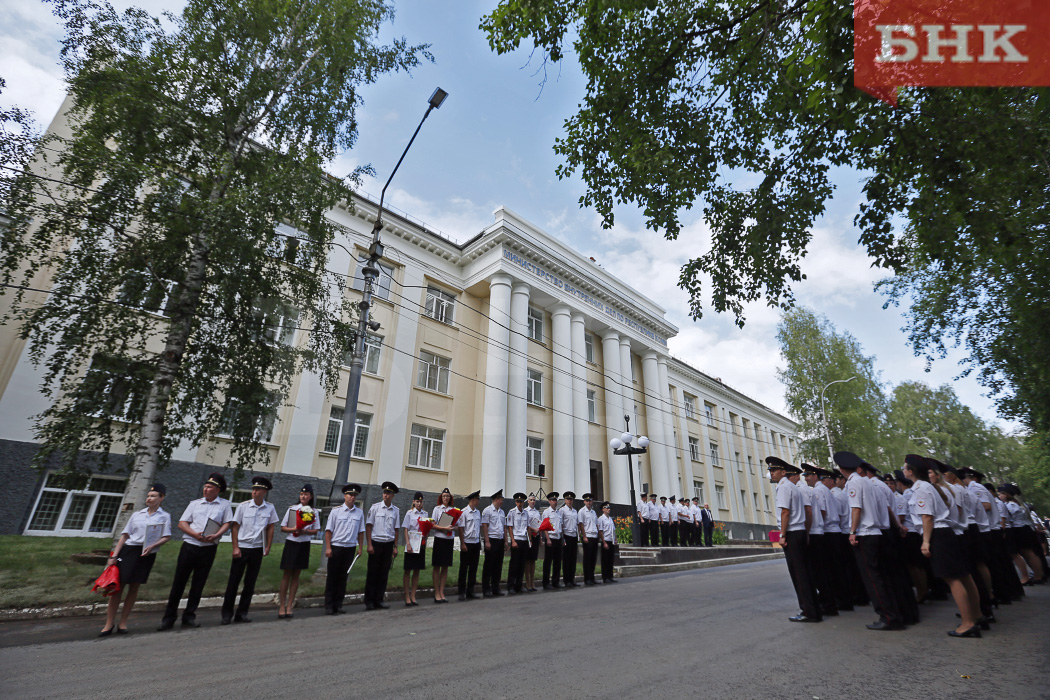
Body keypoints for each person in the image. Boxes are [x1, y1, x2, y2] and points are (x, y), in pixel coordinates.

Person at [906, 455, 983, 637]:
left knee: (953, 578)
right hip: (947, 533)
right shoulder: (928, 486)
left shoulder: (921, 488)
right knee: (963, 576)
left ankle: (967, 623)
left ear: (911, 471)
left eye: (905, 468)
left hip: (939, 535)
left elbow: (927, 516)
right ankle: (976, 615)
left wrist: (925, 541)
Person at [158, 472, 233, 630]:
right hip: (190, 545)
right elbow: (182, 523)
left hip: (208, 548)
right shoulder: (195, 504)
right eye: (205, 486)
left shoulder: (224, 505)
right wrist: (194, 534)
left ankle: (189, 616)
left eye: (209, 487)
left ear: (217, 489)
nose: (205, 489)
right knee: (179, 582)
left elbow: (227, 523)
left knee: (198, 583)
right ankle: (169, 617)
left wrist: (217, 535)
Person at [836, 451, 902, 631]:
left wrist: (852, 531)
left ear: (842, 470)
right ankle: (893, 614)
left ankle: (888, 617)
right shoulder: (866, 481)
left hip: (865, 533)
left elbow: (856, 509)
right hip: (875, 532)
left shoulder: (854, 483)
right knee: (880, 577)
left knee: (873, 579)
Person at [100, 483, 171, 636]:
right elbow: (124, 535)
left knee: (134, 588)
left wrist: (153, 546)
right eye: (148, 496)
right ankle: (108, 623)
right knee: (118, 588)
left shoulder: (164, 516)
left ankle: (123, 623)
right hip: (129, 551)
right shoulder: (137, 514)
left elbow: (166, 536)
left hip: (146, 554)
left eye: (153, 496)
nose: (149, 498)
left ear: (161, 498)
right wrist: (114, 556)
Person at [767, 456, 820, 623]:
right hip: (799, 532)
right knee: (804, 573)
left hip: (792, 533)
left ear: (783, 472)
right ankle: (813, 609)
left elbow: (785, 512)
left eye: (774, 470)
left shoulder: (783, 488)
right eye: (770, 470)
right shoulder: (792, 487)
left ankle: (808, 611)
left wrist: (782, 535)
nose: (771, 473)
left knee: (799, 575)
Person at [221, 476, 279, 624]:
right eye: (253, 489)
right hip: (242, 548)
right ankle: (227, 614)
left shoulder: (270, 508)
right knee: (233, 581)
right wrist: (235, 547)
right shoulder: (243, 506)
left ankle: (242, 613)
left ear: (264, 491)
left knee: (250, 583)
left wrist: (268, 546)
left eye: (258, 489)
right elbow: (235, 527)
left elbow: (271, 527)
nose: (254, 492)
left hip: (257, 549)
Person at [799, 465, 837, 618]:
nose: (806, 478)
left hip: (822, 532)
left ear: (816, 476)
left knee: (819, 572)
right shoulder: (824, 490)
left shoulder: (818, 490)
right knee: (825, 571)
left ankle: (827, 604)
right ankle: (831, 603)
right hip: (827, 531)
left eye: (808, 475)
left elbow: (822, 511)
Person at [278, 484, 320, 619]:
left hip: (304, 544)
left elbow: (315, 530)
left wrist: (305, 531)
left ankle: (290, 605)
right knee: (286, 574)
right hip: (291, 543)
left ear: (311, 497)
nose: (303, 496)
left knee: (296, 575)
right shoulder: (292, 509)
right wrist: (294, 529)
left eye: (306, 494)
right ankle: (282, 605)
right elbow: (283, 527)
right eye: (302, 494)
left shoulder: (313, 511)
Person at [323, 483, 365, 615]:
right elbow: (329, 531)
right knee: (332, 577)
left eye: (354, 495)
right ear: (344, 496)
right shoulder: (336, 511)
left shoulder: (359, 513)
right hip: (336, 547)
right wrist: (328, 547)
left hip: (350, 548)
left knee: (343, 577)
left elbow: (361, 531)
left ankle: (338, 604)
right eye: (350, 495)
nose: (352, 497)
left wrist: (360, 548)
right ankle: (329, 605)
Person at [364, 481, 400, 610]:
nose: (386, 495)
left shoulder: (396, 511)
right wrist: (369, 544)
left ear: (393, 495)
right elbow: (369, 526)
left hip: (388, 544)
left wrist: (395, 547)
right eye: (384, 492)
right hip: (376, 543)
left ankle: (379, 600)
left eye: (389, 493)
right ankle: (369, 601)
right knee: (372, 573)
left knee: (383, 573)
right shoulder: (375, 508)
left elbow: (396, 530)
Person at [402, 492, 427, 606]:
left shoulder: (425, 514)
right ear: (413, 502)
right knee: (408, 570)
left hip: (420, 544)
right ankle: (407, 595)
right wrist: (407, 543)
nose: (419, 504)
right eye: (417, 501)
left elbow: (425, 529)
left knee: (417, 570)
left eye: (421, 502)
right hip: (411, 544)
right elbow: (406, 529)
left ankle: (413, 595)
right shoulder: (409, 513)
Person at [431, 487, 456, 603]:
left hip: (449, 539)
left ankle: (442, 591)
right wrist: (444, 528)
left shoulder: (454, 510)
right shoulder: (437, 509)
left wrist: (451, 527)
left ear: (450, 498)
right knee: (437, 566)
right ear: (441, 497)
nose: (446, 498)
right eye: (444, 496)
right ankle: (436, 592)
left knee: (445, 566)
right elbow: (432, 525)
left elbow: (457, 525)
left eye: (447, 496)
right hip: (439, 539)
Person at [457, 490, 482, 600]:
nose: (479, 501)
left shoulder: (478, 512)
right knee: (463, 568)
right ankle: (461, 592)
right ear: (473, 500)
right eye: (477, 499)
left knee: (473, 568)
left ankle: (470, 591)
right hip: (467, 543)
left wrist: (479, 541)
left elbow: (478, 528)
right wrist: (462, 543)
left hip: (475, 542)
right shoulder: (464, 512)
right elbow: (461, 529)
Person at [482, 489, 506, 597]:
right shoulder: (487, 511)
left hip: (500, 540)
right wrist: (487, 541)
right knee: (489, 565)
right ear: (496, 499)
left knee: (498, 565)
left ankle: (496, 587)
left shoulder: (502, 512)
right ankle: (486, 588)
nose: (502, 501)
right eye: (501, 499)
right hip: (491, 539)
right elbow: (485, 526)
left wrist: (506, 541)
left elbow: (504, 527)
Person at [507, 492, 532, 594]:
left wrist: (530, 540)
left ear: (523, 502)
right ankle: (511, 586)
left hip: (524, 540)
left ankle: (519, 585)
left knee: (522, 564)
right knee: (514, 564)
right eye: (517, 501)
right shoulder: (511, 512)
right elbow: (510, 527)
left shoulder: (526, 513)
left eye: (521, 502)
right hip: (516, 540)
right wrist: (512, 541)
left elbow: (528, 527)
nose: (519, 503)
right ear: (515, 502)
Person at [541, 492, 563, 589]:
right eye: (553, 500)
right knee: (548, 561)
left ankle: (555, 581)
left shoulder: (559, 513)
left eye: (555, 500)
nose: (555, 502)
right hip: (551, 539)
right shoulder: (547, 512)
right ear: (549, 501)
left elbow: (560, 526)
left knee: (557, 562)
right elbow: (545, 527)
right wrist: (548, 539)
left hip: (558, 538)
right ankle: (546, 583)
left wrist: (562, 538)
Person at [579, 493, 599, 585]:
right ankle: (587, 579)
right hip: (588, 537)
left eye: (590, 501)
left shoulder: (593, 512)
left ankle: (592, 577)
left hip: (594, 536)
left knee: (593, 558)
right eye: (587, 501)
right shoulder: (582, 511)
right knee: (587, 559)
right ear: (584, 501)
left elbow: (596, 524)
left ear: (592, 501)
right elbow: (581, 524)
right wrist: (584, 536)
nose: (589, 502)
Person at [560, 491, 580, 587]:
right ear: (565, 500)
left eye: (571, 499)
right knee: (566, 559)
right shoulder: (562, 510)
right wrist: (563, 538)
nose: (569, 501)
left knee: (573, 559)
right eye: (568, 499)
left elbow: (577, 525)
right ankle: (566, 580)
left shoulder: (575, 511)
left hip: (574, 536)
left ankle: (572, 579)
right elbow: (561, 525)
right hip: (566, 536)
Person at [525, 494, 542, 591]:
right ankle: (527, 581)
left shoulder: (537, 512)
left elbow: (539, 523)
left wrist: (540, 538)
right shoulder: (526, 511)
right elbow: (526, 525)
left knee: (533, 560)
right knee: (528, 560)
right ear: (528, 501)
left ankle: (532, 581)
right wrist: (533, 529)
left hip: (536, 537)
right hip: (529, 537)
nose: (533, 501)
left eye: (534, 500)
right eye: (531, 500)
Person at [597, 501, 617, 583]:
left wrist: (615, 539)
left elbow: (613, 530)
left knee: (610, 560)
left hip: (611, 540)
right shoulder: (601, 519)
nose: (609, 509)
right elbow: (600, 531)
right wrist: (604, 542)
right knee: (605, 560)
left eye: (609, 508)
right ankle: (605, 577)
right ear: (603, 509)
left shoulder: (610, 519)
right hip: (605, 541)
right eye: (607, 508)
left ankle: (610, 576)